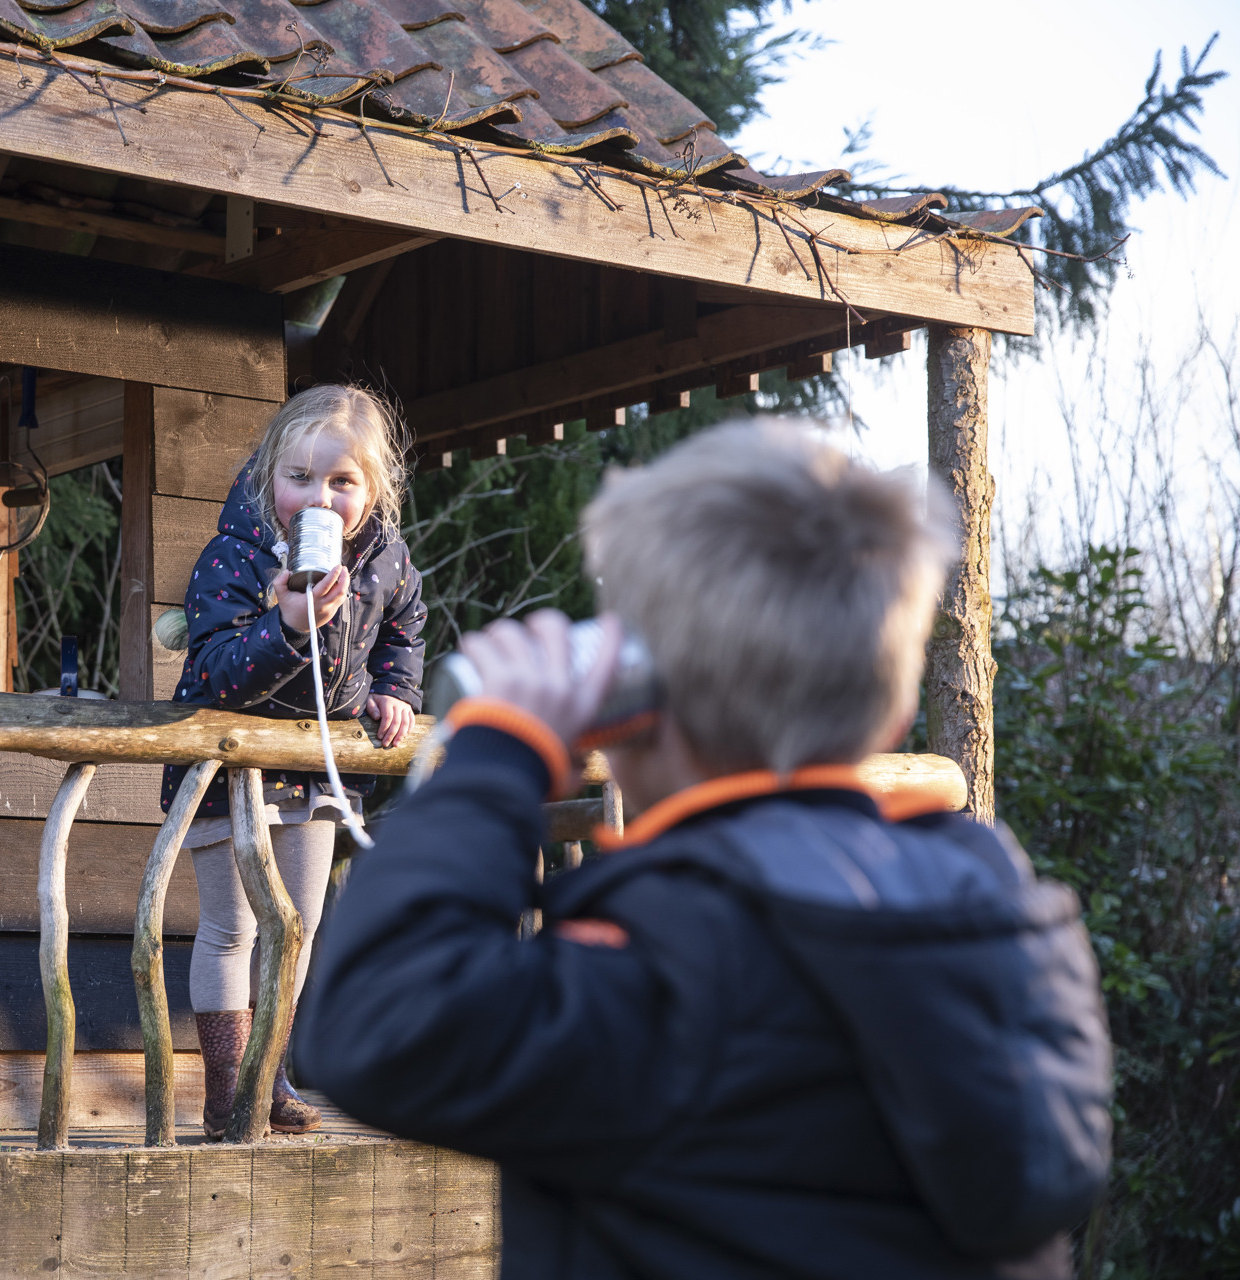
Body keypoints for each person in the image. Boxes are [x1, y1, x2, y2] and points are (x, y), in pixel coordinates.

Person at [295, 422, 1112, 1278]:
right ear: (893, 712)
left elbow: (371, 1019)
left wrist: (500, 753)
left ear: (636, 702)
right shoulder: (1004, 920)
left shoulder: (668, 966)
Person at [161, 383, 426, 1138]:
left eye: (343, 482)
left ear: (373, 493)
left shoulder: (386, 561)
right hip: (227, 775)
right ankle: (225, 1092)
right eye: (300, 478)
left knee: (298, 927)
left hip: (313, 776)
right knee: (233, 929)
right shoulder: (236, 555)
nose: (319, 496)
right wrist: (286, 624)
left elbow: (407, 623)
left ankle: (268, 1076)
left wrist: (394, 688)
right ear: (269, 475)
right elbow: (215, 669)